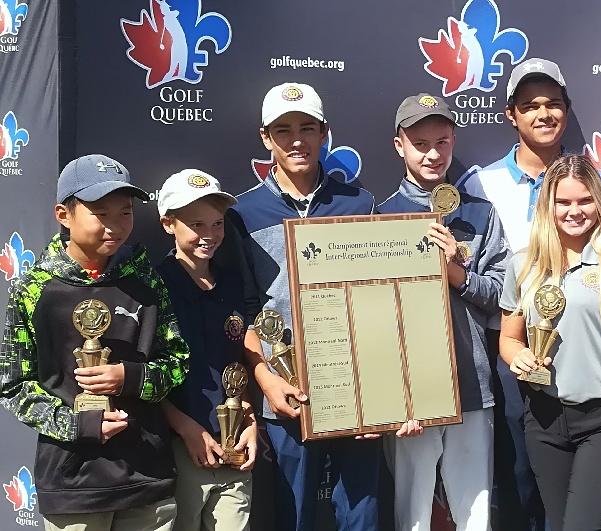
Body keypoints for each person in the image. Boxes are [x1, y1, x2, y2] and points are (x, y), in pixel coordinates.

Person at [0, 155, 189, 530]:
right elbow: (14, 386)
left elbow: (177, 361)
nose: (115, 226)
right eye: (101, 213)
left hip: (146, 479)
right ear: (63, 214)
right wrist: (79, 425)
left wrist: (130, 378)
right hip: (74, 485)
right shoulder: (33, 289)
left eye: (125, 213)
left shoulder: (146, 282)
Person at [225, 82, 380, 530]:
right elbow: (245, 310)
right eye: (284, 129)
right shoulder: (241, 213)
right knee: (292, 513)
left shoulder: (359, 203)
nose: (297, 139)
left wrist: (379, 392)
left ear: (324, 132)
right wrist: (266, 381)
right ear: (265, 138)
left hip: (354, 390)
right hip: (285, 392)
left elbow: (375, 300)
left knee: (362, 512)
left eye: (307, 128)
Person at [456, 56, 593, 531]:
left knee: (573, 477)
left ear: (567, 110)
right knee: (515, 475)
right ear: (510, 115)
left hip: (582, 350)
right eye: (530, 105)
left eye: (553, 104)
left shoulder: (590, 182)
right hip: (506, 347)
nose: (543, 114)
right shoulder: (479, 184)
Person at [499, 154, 601, 531]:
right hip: (543, 420)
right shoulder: (523, 264)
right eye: (564, 202)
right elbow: (508, 339)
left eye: (585, 200)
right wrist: (518, 355)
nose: (575, 211)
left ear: (600, 202)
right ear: (547, 205)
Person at [377, 93, 508, 530]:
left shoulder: (481, 214)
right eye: (421, 143)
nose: (433, 153)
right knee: (411, 513)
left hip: (472, 388)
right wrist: (393, 394)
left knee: (475, 515)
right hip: (410, 396)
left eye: (443, 142)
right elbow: (374, 316)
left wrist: (457, 271)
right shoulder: (377, 217)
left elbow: (501, 295)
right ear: (400, 146)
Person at [156, 169, 256, 530]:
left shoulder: (231, 282)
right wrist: (185, 428)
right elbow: (147, 375)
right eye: (196, 224)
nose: (209, 235)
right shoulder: (155, 285)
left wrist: (249, 421)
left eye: (217, 223)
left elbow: (237, 365)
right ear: (168, 224)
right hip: (181, 450)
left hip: (233, 445)